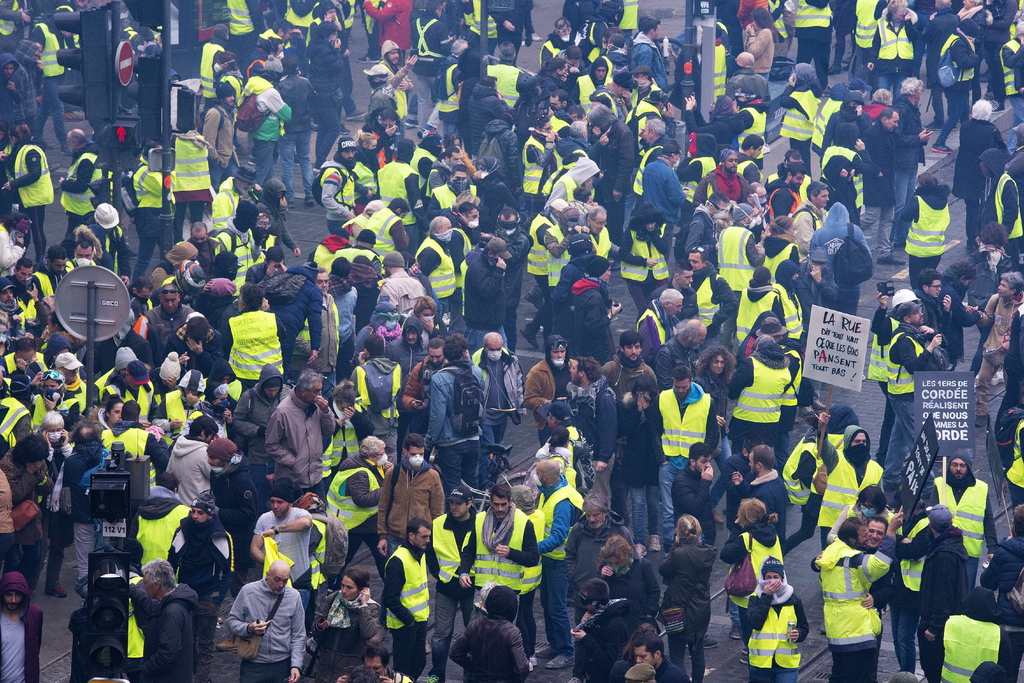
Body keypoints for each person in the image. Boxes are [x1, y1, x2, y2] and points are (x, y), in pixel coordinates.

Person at [816, 515, 900, 682]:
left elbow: (891, 589)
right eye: (868, 532)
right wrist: (892, 532)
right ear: (854, 538)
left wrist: (875, 598)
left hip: (842, 625)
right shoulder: (855, 557)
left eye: (880, 533)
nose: (871, 536)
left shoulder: (833, 553)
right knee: (857, 675)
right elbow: (879, 565)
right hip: (858, 626)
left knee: (843, 673)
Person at [167, 490, 233, 683]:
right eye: (193, 511)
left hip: (206, 598)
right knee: (187, 646)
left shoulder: (220, 536)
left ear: (210, 514)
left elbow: (228, 571)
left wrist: (217, 599)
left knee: (204, 647)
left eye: (200, 513)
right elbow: (171, 561)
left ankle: (201, 680)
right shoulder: (183, 530)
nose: (195, 516)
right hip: (184, 597)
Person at [883, 297, 945, 492]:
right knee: (918, 442)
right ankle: (927, 486)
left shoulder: (911, 334)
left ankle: (891, 477)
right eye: (917, 312)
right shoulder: (904, 340)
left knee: (898, 438)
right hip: (904, 397)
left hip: (904, 396)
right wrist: (931, 347)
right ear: (907, 318)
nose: (921, 314)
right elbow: (913, 367)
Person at [536, 457, 584, 670]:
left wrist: (532, 549)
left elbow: (558, 536)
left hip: (558, 561)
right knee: (547, 604)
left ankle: (566, 651)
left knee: (557, 607)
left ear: (546, 477)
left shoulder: (562, 501)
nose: (535, 478)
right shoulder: (550, 492)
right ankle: (555, 644)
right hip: (547, 560)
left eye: (537, 474)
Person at [225, 560, 306, 683]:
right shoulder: (248, 591)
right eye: (277, 579)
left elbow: (298, 635)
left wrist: (296, 665)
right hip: (254, 665)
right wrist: (248, 628)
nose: (281, 585)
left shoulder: (294, 596)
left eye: (285, 581)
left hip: (282, 665)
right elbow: (231, 622)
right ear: (268, 575)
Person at [659, 515, 717, 682]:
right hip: (701, 608)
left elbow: (663, 569)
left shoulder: (678, 553)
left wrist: (675, 544)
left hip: (677, 608)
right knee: (697, 652)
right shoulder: (709, 552)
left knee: (677, 654)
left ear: (678, 532)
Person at [427, 334, 485, 492]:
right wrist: (469, 361)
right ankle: (474, 515)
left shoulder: (439, 378)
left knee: (453, 486)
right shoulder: (476, 372)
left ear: (445, 354)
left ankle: (454, 516)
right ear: (464, 352)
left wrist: (430, 439)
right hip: (473, 436)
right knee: (471, 483)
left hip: (450, 441)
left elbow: (437, 414)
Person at [266, 368, 335, 498]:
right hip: (292, 481)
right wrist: (293, 462)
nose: (320, 394)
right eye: (316, 391)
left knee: (319, 517)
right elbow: (271, 444)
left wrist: (327, 412)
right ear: (303, 392)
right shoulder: (282, 412)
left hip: (316, 479)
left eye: (321, 390)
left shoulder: (318, 406)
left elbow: (329, 431)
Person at [129, 559, 199, 683]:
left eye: (145, 582)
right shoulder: (176, 604)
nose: (143, 586)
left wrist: (145, 668)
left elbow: (167, 653)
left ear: (156, 585)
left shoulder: (172, 611)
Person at [565, 494, 633, 620]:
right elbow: (569, 555)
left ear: (605, 513)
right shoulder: (578, 530)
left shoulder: (620, 531)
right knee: (582, 635)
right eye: (588, 515)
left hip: (611, 598)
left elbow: (632, 560)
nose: (591, 519)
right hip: (583, 597)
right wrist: (573, 576)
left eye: (596, 515)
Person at [312, 566, 382, 683]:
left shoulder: (370, 607)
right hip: (325, 665)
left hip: (348, 669)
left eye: (349, 587)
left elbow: (368, 633)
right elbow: (315, 632)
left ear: (362, 590)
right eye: (343, 585)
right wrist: (319, 626)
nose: (344, 591)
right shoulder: (333, 599)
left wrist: (363, 607)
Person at [449, 584, 530, 683]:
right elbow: (522, 668)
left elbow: (455, 653)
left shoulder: (475, 625)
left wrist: (474, 667)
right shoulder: (512, 632)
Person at [382, 518, 431, 680]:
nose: (428, 540)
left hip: (419, 621)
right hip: (404, 624)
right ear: (411, 536)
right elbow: (390, 598)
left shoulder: (420, 553)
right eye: (424, 537)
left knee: (418, 663)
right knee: (403, 668)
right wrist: (409, 620)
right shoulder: (398, 561)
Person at [981, 504, 1024, 679]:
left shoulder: (1004, 551)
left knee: (1008, 672)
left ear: (1014, 527)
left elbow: (987, 584)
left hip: (1010, 625)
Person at [747, 558, 808, 683]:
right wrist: (766, 596)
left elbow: (804, 627)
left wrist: (799, 633)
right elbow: (755, 623)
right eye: (768, 577)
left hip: (786, 664)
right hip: (761, 665)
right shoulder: (755, 599)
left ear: (782, 578)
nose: (772, 580)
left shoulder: (794, 600)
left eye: (776, 577)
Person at [250, 478, 314, 588]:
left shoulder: (299, 514)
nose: (275, 506)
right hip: (273, 581)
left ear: (290, 503)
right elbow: (254, 549)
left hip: (298, 579)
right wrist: (274, 565)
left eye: (280, 502)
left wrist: (276, 529)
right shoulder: (264, 518)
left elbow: (306, 523)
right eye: (272, 501)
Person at [569, 578, 632, 683]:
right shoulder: (595, 617)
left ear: (595, 604)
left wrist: (585, 638)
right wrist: (584, 627)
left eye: (585, 601)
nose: (583, 605)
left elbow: (609, 662)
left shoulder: (615, 626)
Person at [0, 571, 42, 683]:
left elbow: (35, 648)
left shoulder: (35, 613)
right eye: (9, 594)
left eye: (17, 595)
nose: (13, 600)